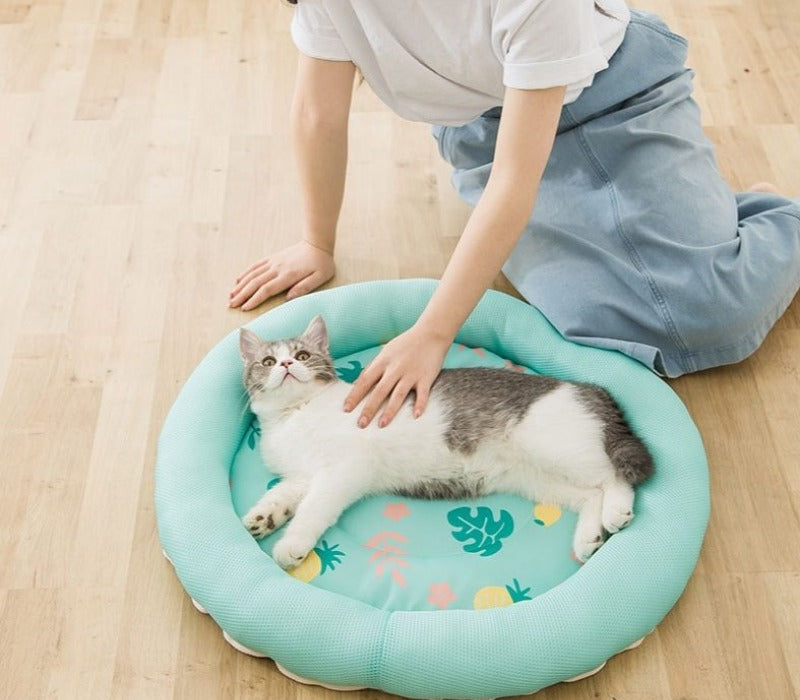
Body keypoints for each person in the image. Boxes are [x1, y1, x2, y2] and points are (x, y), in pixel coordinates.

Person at [229, 0, 800, 429]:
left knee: (707, 310)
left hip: (615, 99)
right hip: (493, 129)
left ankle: (776, 215)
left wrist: (433, 332)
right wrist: (316, 242)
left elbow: (514, 183)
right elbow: (318, 114)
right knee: (586, 315)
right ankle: (700, 220)